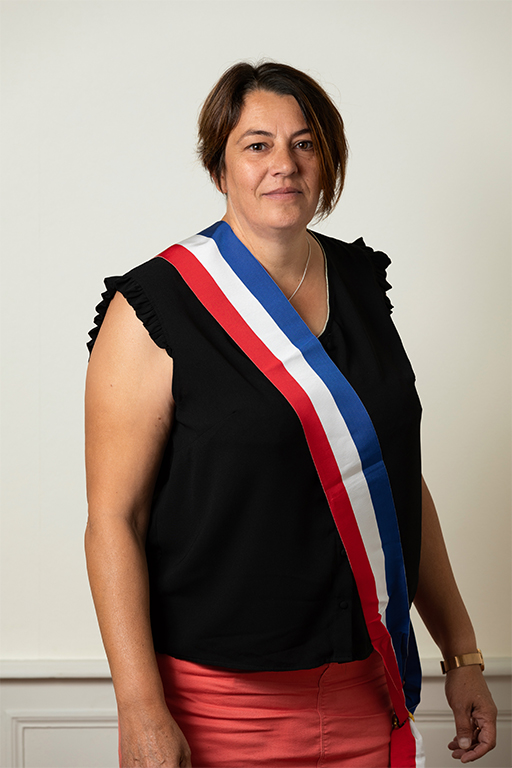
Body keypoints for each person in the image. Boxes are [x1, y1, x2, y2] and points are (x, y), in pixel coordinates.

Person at [85, 62, 497, 768]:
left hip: (369, 691)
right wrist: (140, 707)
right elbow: (114, 522)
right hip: (219, 705)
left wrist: (461, 652)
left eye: (305, 144)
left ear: (328, 160)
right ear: (218, 166)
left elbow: (392, 478)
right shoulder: (155, 307)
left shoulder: (362, 283)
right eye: (257, 145)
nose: (285, 164)